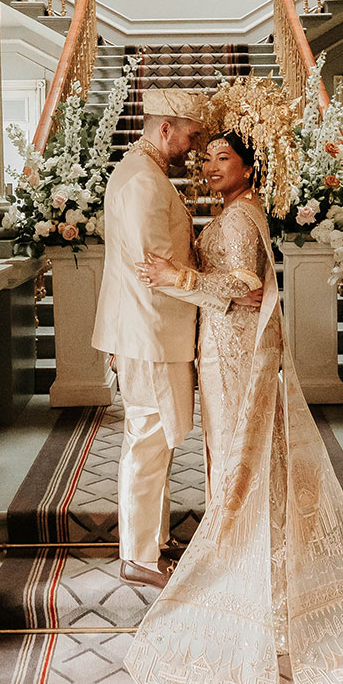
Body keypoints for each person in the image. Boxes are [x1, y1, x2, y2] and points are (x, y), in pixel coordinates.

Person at [126, 125, 343, 684]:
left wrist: (175, 275)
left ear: (248, 165)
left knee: (239, 463)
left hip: (235, 355)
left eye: (222, 158)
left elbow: (247, 289)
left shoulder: (237, 219)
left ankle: (244, 571)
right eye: (204, 158)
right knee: (241, 461)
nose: (209, 166)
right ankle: (248, 557)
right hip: (228, 350)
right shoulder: (237, 209)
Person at [90, 87, 210, 590]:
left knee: (154, 441)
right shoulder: (142, 181)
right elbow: (154, 269)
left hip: (147, 331)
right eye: (191, 135)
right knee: (147, 441)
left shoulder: (142, 173)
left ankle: (153, 541)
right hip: (149, 332)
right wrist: (215, 286)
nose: (195, 146)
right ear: (165, 130)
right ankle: (138, 556)